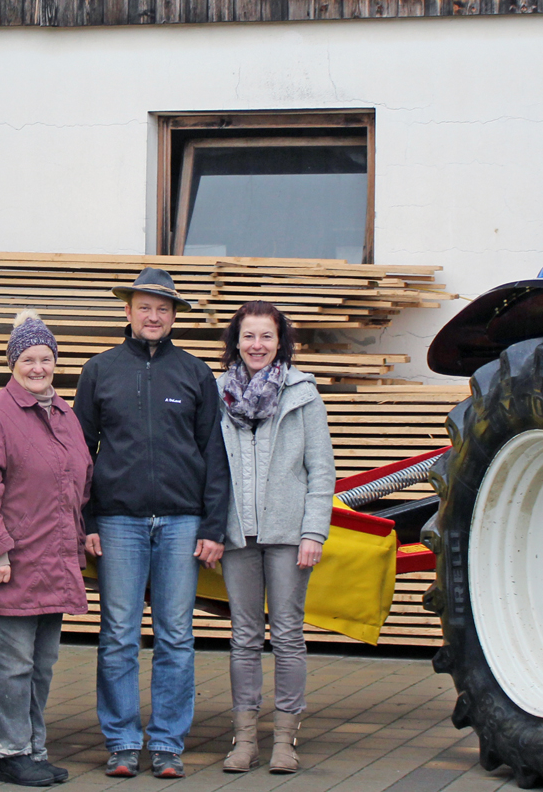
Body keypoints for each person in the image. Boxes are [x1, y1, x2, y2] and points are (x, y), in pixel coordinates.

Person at [73, 267, 230, 780]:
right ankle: (121, 741)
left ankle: (166, 743)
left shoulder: (195, 373)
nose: (153, 315)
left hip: (183, 523)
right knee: (118, 633)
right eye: (145, 306)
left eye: (163, 308)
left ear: (173, 316)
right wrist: (88, 518)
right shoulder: (100, 371)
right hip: (117, 522)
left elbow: (214, 453)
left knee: (176, 635)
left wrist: (211, 527)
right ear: (128, 311)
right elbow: (79, 454)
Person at [0, 310, 95, 787]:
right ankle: (10, 753)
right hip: (13, 564)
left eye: (46, 359)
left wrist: (80, 539)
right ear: (13, 362)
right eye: (29, 359)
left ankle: (34, 750)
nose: (39, 368)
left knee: (41, 664)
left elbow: (78, 483)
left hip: (54, 561)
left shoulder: (64, 414)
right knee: (14, 665)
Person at [216, 300, 334, 775]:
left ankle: (285, 740)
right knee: (243, 636)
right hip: (236, 535)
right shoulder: (217, 391)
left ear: (280, 341)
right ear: (236, 342)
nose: (257, 345)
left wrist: (313, 531)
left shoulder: (302, 392)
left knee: (287, 635)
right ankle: (244, 740)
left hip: (288, 535)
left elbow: (320, 469)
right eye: (248, 336)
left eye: (266, 336)